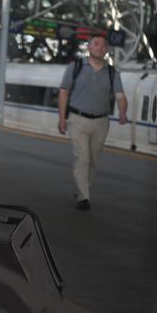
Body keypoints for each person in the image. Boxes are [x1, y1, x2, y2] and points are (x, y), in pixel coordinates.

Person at [57, 35, 128, 210]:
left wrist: (123, 112)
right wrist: (62, 118)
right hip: (77, 119)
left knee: (92, 160)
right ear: (89, 48)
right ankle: (83, 197)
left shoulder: (112, 72)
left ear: (107, 50)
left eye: (104, 45)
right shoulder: (76, 67)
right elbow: (64, 92)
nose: (100, 47)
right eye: (96, 44)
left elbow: (120, 96)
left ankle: (82, 188)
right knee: (82, 157)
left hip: (101, 122)